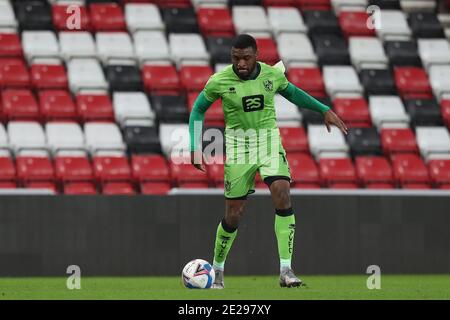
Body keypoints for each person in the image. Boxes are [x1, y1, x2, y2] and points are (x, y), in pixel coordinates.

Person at [188, 34, 348, 289]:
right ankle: (217, 269)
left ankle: (286, 269)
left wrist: (323, 109)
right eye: (235, 58)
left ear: (256, 56)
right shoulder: (218, 81)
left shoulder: (272, 75)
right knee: (234, 215)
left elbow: (293, 93)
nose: (240, 63)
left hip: (268, 142)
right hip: (239, 147)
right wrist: (195, 146)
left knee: (282, 191)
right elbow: (198, 110)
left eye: (246, 58)